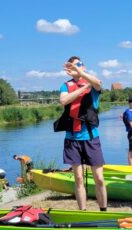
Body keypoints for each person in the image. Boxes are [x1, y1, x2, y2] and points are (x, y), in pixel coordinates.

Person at [55, 56, 107, 211]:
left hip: (91, 137)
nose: (75, 67)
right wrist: (82, 88)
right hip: (72, 138)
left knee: (99, 178)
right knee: (78, 178)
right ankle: (82, 210)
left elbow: (97, 84)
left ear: (84, 67)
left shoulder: (92, 82)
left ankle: (103, 209)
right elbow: (64, 101)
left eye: (78, 64)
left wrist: (81, 74)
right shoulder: (65, 86)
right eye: (72, 66)